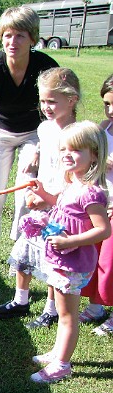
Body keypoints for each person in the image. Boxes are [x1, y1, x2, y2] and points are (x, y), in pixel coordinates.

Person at [0, 5, 59, 275]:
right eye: (7, 35)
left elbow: (56, 112)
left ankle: (20, 251)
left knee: (26, 193)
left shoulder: (46, 67)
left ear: (32, 38)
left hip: (34, 133)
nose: (12, 42)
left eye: (20, 35)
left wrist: (41, 147)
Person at [0, 67, 79, 327]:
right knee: (24, 251)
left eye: (52, 101)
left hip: (60, 207)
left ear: (71, 100)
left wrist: (50, 199)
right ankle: (20, 300)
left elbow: (75, 179)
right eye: (42, 100)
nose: (46, 106)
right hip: (39, 199)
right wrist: (37, 155)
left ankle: (50, 309)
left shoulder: (76, 134)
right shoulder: (45, 129)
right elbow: (45, 144)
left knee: (53, 260)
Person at [28, 121, 110, 383]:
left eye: (76, 150)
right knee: (64, 314)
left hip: (73, 262)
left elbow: (103, 230)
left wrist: (70, 240)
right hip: (62, 257)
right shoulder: (72, 183)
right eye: (64, 149)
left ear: (94, 154)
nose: (67, 154)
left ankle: (62, 365)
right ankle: (57, 352)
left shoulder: (92, 193)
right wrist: (45, 196)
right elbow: (63, 207)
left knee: (67, 316)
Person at [80, 73, 113, 335]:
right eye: (107, 103)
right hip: (100, 204)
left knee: (111, 261)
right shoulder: (105, 128)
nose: (111, 110)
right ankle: (96, 305)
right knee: (96, 257)